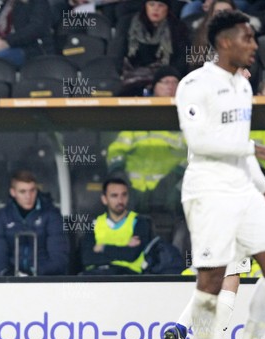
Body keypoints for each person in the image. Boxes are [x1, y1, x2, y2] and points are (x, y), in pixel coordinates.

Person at [172, 10, 265, 339]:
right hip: (208, 190)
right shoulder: (193, 84)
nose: (255, 46)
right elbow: (199, 141)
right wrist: (258, 147)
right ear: (224, 42)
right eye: (247, 38)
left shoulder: (242, 87)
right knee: (211, 278)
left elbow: (239, 152)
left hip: (242, 188)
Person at [107, 66, 186, 215]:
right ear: (154, 87)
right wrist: (118, 174)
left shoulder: (188, 118)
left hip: (169, 197)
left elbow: (195, 154)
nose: (171, 86)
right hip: (133, 193)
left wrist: (177, 180)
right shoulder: (139, 117)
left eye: (175, 82)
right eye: (165, 82)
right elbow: (117, 149)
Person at [0, 170, 68, 276]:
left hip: (44, 279)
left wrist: (34, 274)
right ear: (13, 192)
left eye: (32, 190)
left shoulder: (51, 215)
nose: (28, 196)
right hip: (10, 280)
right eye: (23, 191)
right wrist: (7, 274)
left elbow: (59, 258)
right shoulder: (2, 217)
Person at [108, 0, 188, 95]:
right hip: (132, 77)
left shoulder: (177, 28)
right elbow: (117, 54)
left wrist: (164, 76)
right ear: (145, 6)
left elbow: (182, 59)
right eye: (151, 5)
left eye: (161, 5)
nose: (156, 9)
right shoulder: (127, 24)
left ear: (167, 9)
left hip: (164, 78)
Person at [81, 177, 152, 275]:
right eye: (114, 196)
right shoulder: (94, 224)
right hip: (96, 277)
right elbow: (87, 258)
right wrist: (123, 249)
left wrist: (102, 247)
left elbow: (131, 255)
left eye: (124, 195)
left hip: (128, 278)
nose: (120, 200)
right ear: (104, 199)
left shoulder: (139, 222)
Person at [0, 0, 55, 68]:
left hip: (29, 48)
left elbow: (35, 28)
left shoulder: (37, 2)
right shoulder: (4, 3)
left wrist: (8, 41)